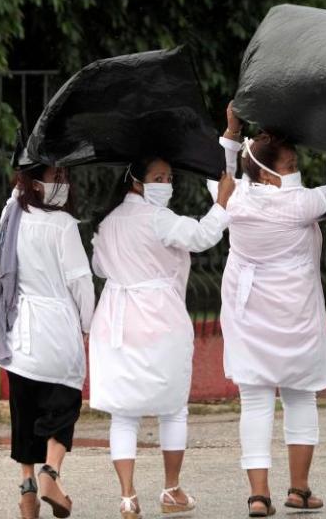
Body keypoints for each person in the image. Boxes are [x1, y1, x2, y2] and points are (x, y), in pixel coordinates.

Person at [219, 103, 326, 517]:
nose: (295, 168)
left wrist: (230, 131)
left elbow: (222, 176)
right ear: (268, 169)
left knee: (255, 402)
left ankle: (258, 496)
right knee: (300, 397)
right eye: (291, 162)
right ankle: (299, 489)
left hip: (247, 314)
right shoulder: (301, 205)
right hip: (294, 316)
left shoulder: (234, 198)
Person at [90, 154, 235, 519]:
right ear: (136, 180)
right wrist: (222, 202)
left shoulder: (107, 223)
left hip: (116, 323)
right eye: (158, 176)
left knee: (123, 414)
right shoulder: (158, 219)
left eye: (169, 176)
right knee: (172, 409)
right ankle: (171, 490)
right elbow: (202, 236)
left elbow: (99, 267)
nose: (166, 183)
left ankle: (127, 496)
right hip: (158, 321)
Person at [0, 164, 94, 519]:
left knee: (24, 411)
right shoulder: (62, 226)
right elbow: (81, 282)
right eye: (55, 177)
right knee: (63, 406)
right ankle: (51, 473)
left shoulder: (11, 216)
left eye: (63, 176)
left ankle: (27, 488)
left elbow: (15, 198)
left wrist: (21, 181)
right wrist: (88, 324)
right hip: (57, 330)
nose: (62, 183)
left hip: (17, 334)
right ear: (35, 182)